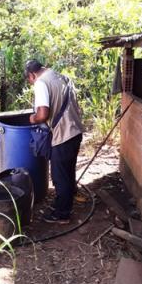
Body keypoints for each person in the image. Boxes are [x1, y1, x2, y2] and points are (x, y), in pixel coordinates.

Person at [25, 59, 84, 223]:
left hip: (63, 135)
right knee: (68, 169)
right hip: (75, 131)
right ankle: (67, 199)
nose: (31, 83)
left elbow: (43, 114)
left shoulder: (41, 83)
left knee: (59, 176)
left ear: (32, 75)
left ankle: (62, 213)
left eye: (30, 80)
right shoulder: (61, 77)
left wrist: (32, 118)